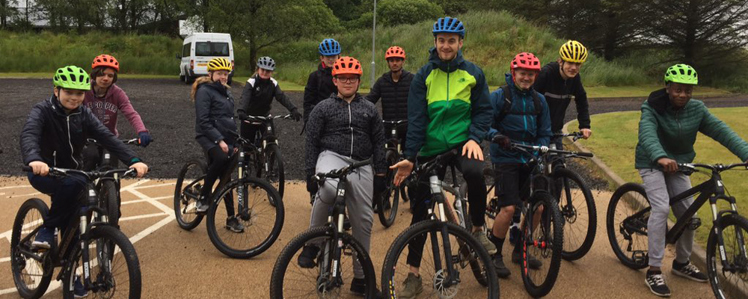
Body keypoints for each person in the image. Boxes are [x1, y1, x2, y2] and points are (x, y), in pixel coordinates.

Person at [390, 17, 493, 298]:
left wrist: (474, 137)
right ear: (435, 42)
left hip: (462, 143)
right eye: (441, 40)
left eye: (451, 41)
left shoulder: (473, 73)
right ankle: (413, 274)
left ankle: (477, 227)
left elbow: (484, 110)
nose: (446, 46)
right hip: (431, 148)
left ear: (461, 43)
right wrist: (410, 157)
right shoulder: (424, 76)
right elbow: (416, 119)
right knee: (421, 210)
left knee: (475, 172)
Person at [20, 66, 149, 273]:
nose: (74, 98)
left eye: (79, 93)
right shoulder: (42, 111)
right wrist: (35, 159)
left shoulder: (83, 113)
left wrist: (133, 159)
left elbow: (106, 137)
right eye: (68, 92)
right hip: (44, 171)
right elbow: (29, 134)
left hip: (72, 172)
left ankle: (70, 272)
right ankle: (48, 228)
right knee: (76, 184)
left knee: (76, 221)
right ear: (56, 91)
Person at [636, 64, 748, 297]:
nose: (683, 95)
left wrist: (746, 153)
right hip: (652, 161)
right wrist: (660, 157)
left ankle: (681, 263)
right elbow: (647, 134)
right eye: (678, 89)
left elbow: (721, 130)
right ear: (668, 88)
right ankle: (654, 269)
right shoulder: (652, 107)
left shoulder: (697, 109)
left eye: (688, 90)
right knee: (660, 208)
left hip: (681, 164)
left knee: (690, 215)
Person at [299, 56, 386, 296]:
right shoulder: (323, 108)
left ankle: (361, 279)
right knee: (326, 189)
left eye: (352, 78)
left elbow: (379, 141)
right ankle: (312, 244)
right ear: (335, 81)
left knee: (364, 221)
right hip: (332, 157)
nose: (348, 82)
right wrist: (309, 174)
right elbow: (312, 142)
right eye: (343, 78)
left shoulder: (368, 108)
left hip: (361, 163)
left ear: (359, 82)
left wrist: (381, 173)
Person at [484, 52, 552, 278]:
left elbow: (545, 131)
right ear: (513, 73)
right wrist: (497, 136)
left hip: (529, 158)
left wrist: (541, 147)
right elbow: (484, 124)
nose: (526, 78)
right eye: (522, 73)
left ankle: (520, 248)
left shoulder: (539, 100)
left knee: (538, 207)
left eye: (530, 74)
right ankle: (494, 254)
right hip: (506, 157)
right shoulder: (500, 96)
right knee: (509, 208)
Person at [191, 57, 244, 233]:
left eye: (226, 74)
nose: (223, 77)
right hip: (207, 136)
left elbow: (230, 120)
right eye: (220, 73)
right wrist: (219, 140)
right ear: (210, 74)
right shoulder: (204, 91)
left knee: (226, 177)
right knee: (220, 159)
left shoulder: (226, 92)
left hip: (225, 138)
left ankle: (231, 218)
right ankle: (204, 197)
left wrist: (234, 141)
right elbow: (203, 121)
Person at [83, 54, 152, 170]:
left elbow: (131, 114)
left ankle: (112, 187)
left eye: (110, 75)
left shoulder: (118, 93)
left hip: (109, 138)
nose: (106, 78)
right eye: (102, 74)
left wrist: (142, 131)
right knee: (89, 159)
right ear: (94, 74)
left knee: (111, 168)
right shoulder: (84, 91)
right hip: (87, 139)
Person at [365, 46, 414, 210]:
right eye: (392, 60)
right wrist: (360, 109)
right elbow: (371, 98)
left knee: (412, 159)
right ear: (388, 62)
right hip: (387, 125)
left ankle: (414, 197)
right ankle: (384, 198)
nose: (395, 63)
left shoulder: (411, 79)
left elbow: (420, 100)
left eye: (398, 60)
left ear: (402, 61)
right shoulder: (382, 81)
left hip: (407, 124)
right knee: (384, 162)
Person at [237, 56, 302, 144]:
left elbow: (281, 97)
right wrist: (241, 110)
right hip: (249, 118)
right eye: (262, 69)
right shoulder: (251, 82)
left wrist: (293, 109)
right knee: (246, 148)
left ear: (272, 72)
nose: (264, 72)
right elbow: (245, 97)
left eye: (268, 71)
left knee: (271, 142)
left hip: (265, 118)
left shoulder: (273, 83)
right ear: (258, 69)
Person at [303, 38, 341, 124]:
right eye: (328, 57)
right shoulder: (314, 76)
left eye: (333, 56)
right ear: (322, 58)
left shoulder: (343, 76)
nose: (331, 59)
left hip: (340, 117)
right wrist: (307, 121)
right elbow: (308, 102)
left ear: (338, 57)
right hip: (321, 118)